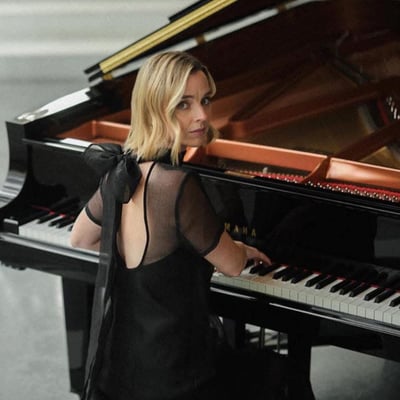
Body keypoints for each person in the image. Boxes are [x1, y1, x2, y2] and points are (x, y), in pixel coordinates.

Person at [70, 51, 308, 400]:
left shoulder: (120, 173)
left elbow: (79, 238)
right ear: (157, 108)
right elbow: (232, 265)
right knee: (281, 371)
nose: (202, 115)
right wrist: (240, 248)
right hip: (179, 379)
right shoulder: (177, 185)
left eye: (205, 100)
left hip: (122, 368)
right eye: (183, 104)